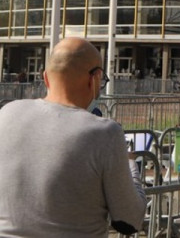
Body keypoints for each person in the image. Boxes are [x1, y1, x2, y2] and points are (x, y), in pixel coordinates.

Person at [0, 37, 146, 237]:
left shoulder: (7, 114)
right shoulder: (104, 133)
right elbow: (130, 221)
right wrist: (131, 167)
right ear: (94, 78)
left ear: (45, 78)